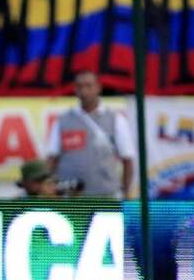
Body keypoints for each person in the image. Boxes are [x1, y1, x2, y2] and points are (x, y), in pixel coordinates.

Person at [46, 70, 136, 198]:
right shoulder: (63, 120)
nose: (84, 91)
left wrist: (126, 193)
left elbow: (127, 160)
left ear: (98, 88)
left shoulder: (115, 119)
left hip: (106, 194)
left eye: (88, 85)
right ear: (75, 89)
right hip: (70, 196)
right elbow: (52, 159)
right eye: (79, 86)